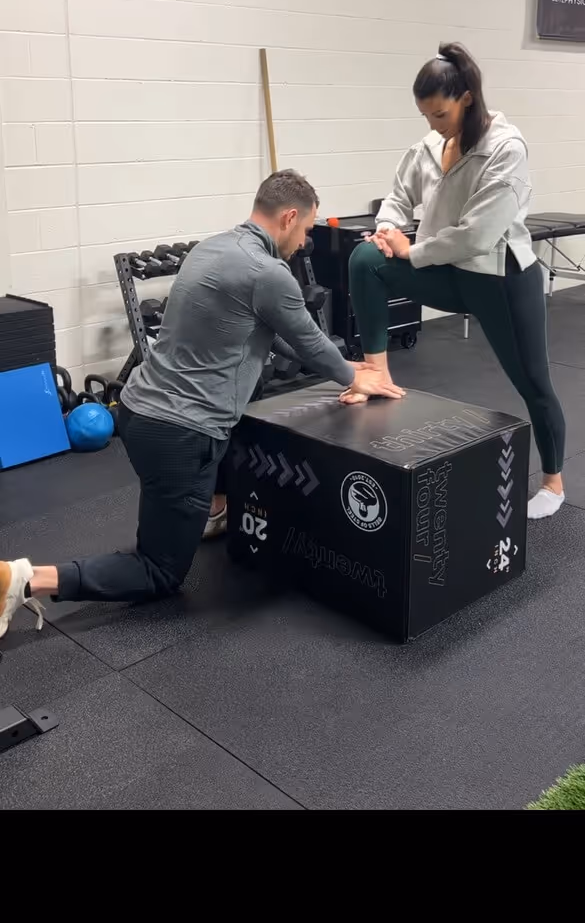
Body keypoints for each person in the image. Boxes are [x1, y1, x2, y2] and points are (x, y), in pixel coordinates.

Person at [0, 170, 401, 639]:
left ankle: (209, 507)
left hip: (135, 411)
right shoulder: (269, 274)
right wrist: (358, 375)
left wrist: (349, 366)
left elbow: (280, 339)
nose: (305, 240)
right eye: (307, 229)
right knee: (158, 571)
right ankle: (23, 579)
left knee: (242, 432)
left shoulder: (212, 248)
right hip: (180, 434)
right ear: (289, 217)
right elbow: (310, 342)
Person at [347, 42, 566, 523]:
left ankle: (553, 481)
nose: (433, 124)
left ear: (466, 97)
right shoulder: (428, 146)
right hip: (449, 273)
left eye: (440, 113)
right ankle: (377, 373)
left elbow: (478, 234)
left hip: (501, 278)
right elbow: (399, 195)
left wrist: (414, 251)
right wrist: (387, 229)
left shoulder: (506, 149)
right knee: (365, 259)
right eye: (425, 115)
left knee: (534, 384)